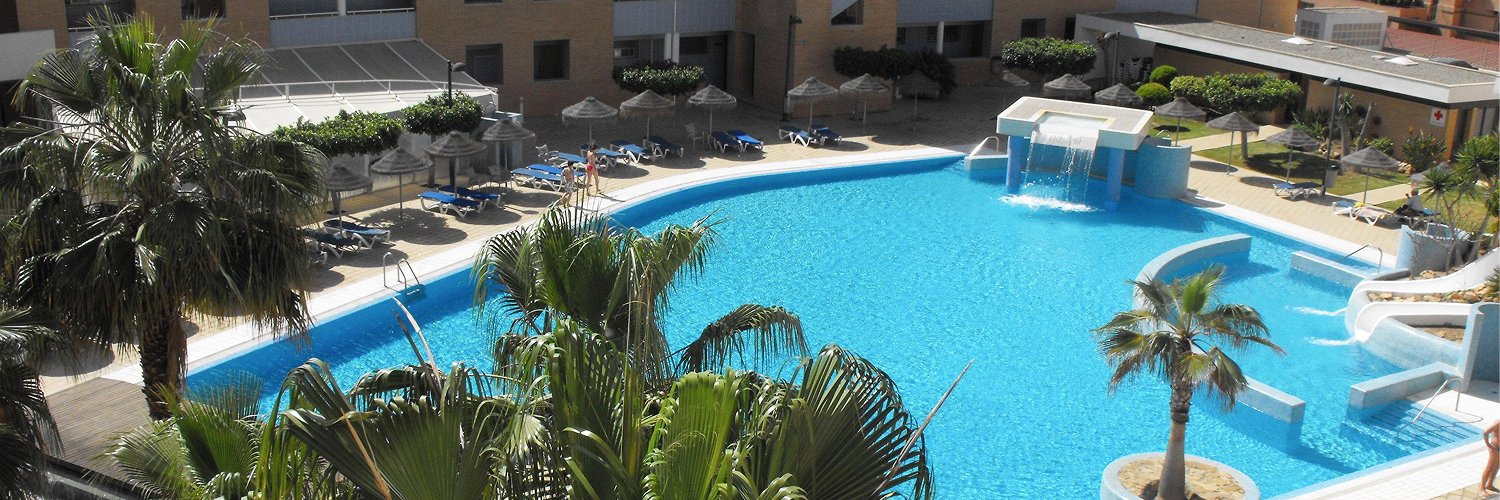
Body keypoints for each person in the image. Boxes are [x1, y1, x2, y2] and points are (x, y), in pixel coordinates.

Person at [1484, 420, 1499, 493]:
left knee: (1496, 467)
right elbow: (1485, 432)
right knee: (1489, 468)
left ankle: (1489, 485)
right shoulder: (1498, 423)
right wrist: (1488, 445)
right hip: (1495, 449)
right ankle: (1482, 488)